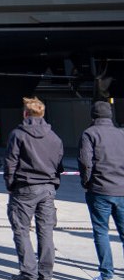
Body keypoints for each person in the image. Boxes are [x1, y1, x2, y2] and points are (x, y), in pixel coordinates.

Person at [4, 97, 63, 280]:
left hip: (25, 188)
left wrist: (10, 184)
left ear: (25, 114)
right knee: (45, 231)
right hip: (48, 188)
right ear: (42, 113)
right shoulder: (54, 137)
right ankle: (46, 274)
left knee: (21, 230)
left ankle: (28, 272)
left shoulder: (18, 134)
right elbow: (59, 165)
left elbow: (10, 163)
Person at [79, 100, 124, 280]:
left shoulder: (89, 133)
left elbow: (85, 162)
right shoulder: (121, 134)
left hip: (100, 190)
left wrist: (86, 182)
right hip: (122, 189)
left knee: (101, 232)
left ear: (93, 116)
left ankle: (106, 274)